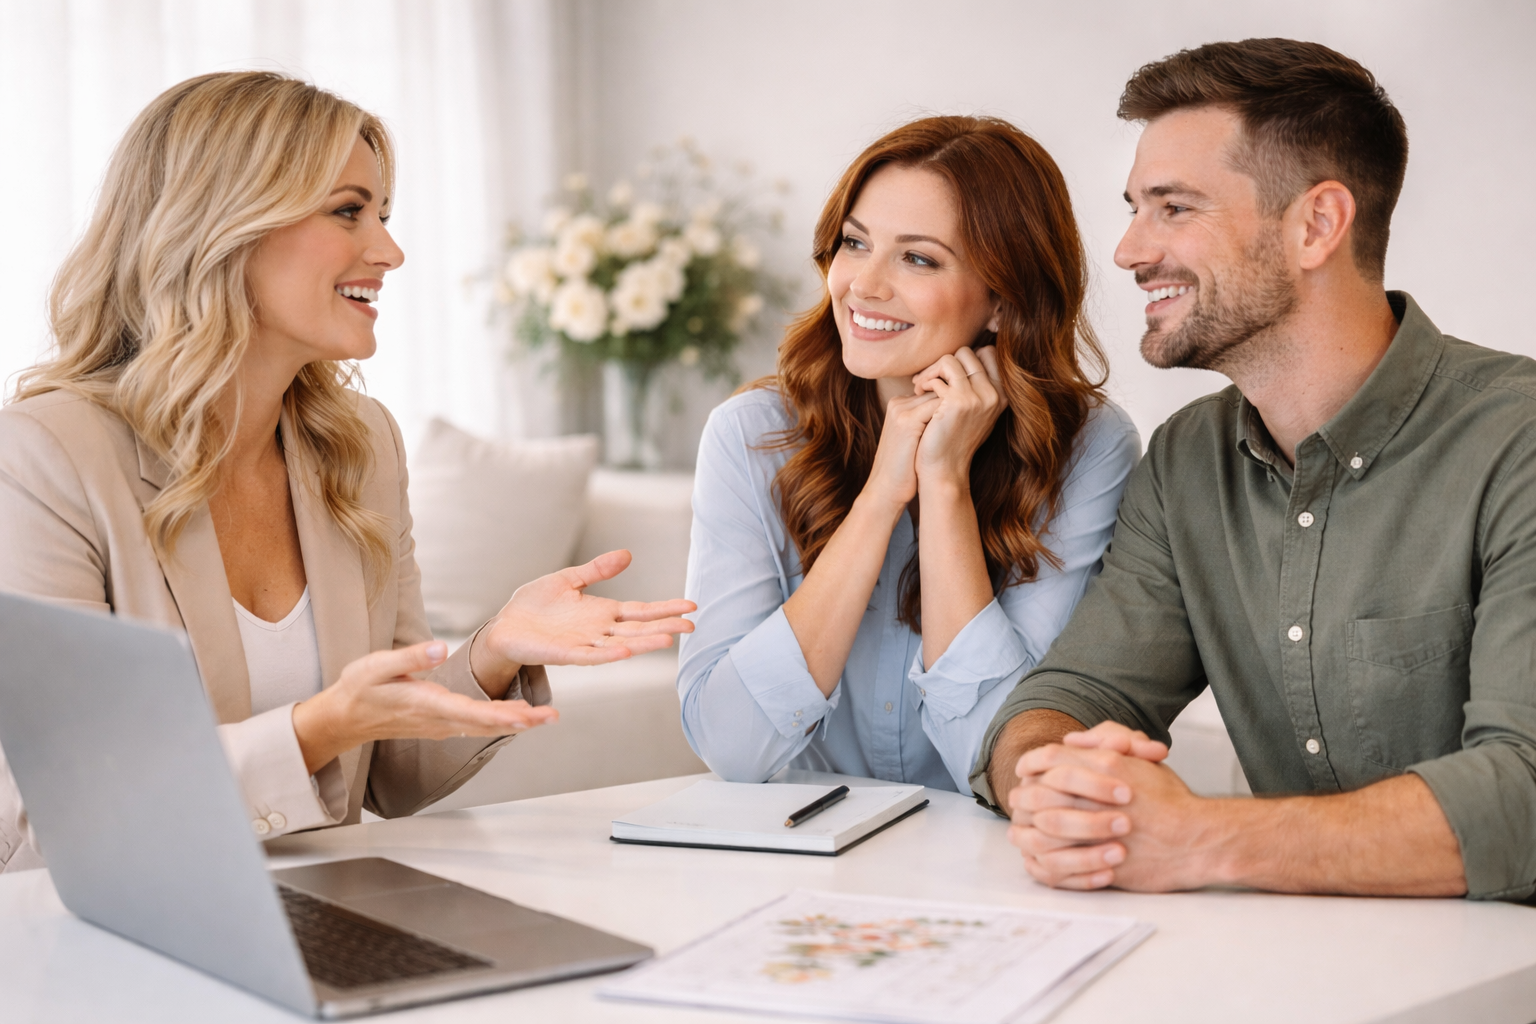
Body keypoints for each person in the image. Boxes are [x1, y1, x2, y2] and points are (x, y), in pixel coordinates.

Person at [0, 72, 694, 872]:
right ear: (224, 224)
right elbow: (67, 807)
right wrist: (319, 727)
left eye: (383, 216)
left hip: (320, 904)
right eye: (347, 211)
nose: (389, 252)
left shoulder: (360, 445)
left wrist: (494, 651)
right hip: (100, 924)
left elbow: (392, 774)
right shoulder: (44, 457)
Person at [977, 38, 1536, 902]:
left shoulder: (1517, 440)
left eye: (1174, 207)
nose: (1128, 250)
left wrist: (1198, 840)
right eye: (1135, 208)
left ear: (1317, 225)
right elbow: (1073, 694)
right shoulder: (1187, 462)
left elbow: (1524, 795)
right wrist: (1055, 788)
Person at [678, 116, 1140, 793]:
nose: (863, 285)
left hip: (987, 845)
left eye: (918, 258)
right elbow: (733, 749)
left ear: (1003, 301)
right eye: (855, 243)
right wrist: (880, 499)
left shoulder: (1087, 448)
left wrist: (944, 483)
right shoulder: (752, 435)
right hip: (806, 846)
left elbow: (1000, 758)